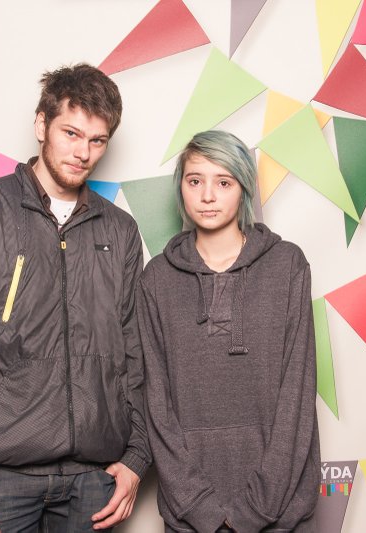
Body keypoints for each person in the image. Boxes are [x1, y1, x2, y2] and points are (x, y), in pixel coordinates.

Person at [0, 64, 150, 533]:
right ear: (41, 125)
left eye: (97, 140)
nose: (82, 152)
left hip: (93, 481)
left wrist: (138, 455)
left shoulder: (120, 230)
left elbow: (136, 352)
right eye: (71, 133)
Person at [137, 130, 320, 532]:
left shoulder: (288, 265)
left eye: (223, 182)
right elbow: (156, 404)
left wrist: (258, 507)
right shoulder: (156, 279)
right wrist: (197, 505)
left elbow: (298, 393)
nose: (207, 196)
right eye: (195, 181)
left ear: (244, 188)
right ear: (180, 187)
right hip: (190, 515)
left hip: (280, 509)